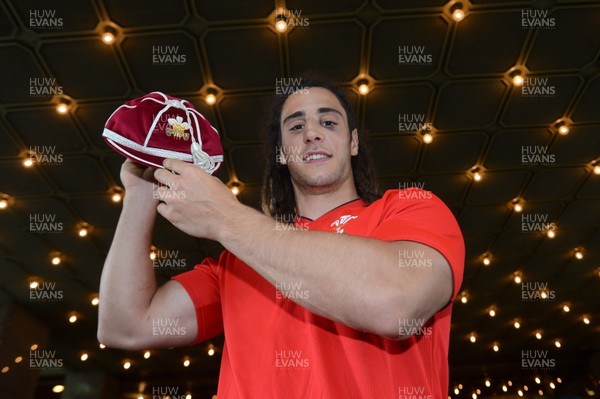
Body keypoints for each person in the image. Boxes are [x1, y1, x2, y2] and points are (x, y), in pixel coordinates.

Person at [98, 77, 465, 398]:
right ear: (281, 153)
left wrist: (226, 218)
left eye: (328, 121)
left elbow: (394, 304)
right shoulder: (238, 261)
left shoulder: (409, 210)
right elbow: (125, 326)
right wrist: (139, 195)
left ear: (353, 142)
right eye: (295, 126)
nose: (312, 133)